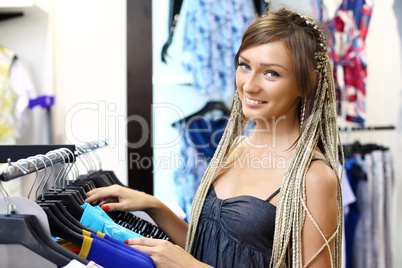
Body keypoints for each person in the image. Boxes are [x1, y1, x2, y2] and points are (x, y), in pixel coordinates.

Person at [85, 7, 344, 268]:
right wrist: (154, 207)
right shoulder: (236, 149)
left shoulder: (314, 177)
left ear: (308, 83)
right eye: (244, 65)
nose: (249, 85)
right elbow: (216, 250)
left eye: (271, 73)